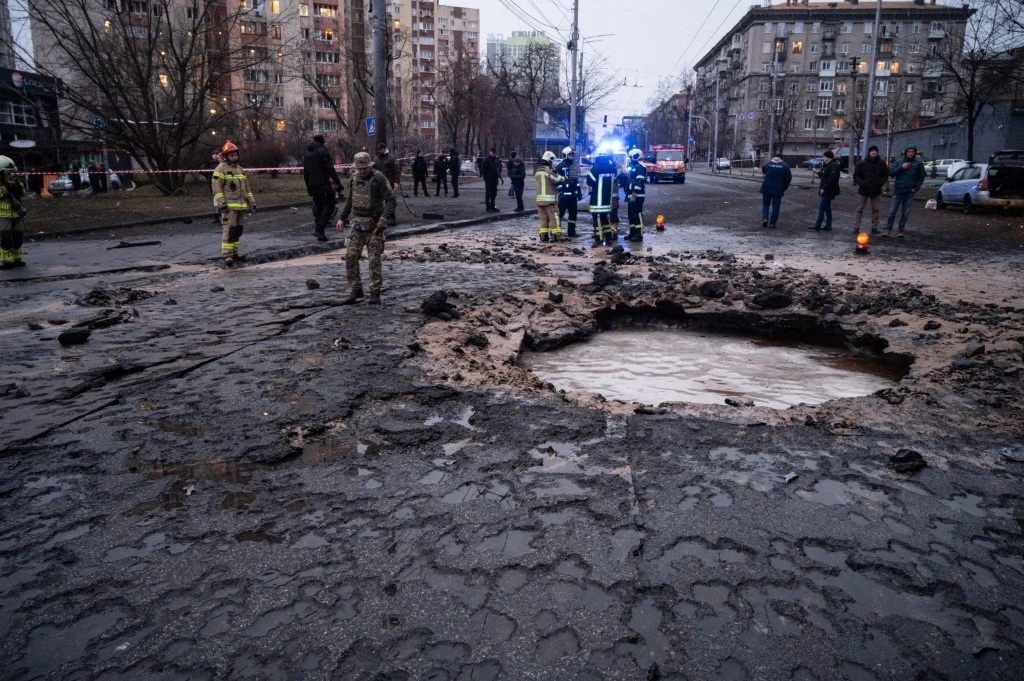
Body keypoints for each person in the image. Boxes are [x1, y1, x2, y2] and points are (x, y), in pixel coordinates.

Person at [337, 152, 396, 305]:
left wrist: (383, 220)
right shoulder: (353, 179)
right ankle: (356, 289)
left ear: (370, 166)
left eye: (365, 168)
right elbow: (350, 200)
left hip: (375, 225)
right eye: (360, 169)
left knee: (374, 259)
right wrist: (342, 218)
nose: (362, 171)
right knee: (350, 256)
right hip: (357, 224)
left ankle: (375, 292)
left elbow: (391, 201)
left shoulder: (379, 179)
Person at [211, 141, 255, 267]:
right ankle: (227, 255)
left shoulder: (240, 170)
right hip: (229, 207)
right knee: (229, 230)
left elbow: (247, 188)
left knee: (237, 230)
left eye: (235, 155)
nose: (234, 157)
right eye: (232, 155)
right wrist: (221, 203)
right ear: (226, 157)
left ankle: (235, 253)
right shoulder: (221, 169)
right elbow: (216, 186)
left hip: (241, 206)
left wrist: (252, 202)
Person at [302, 133, 342, 242]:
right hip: (323, 183)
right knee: (330, 205)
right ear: (322, 142)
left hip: (312, 184)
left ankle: (319, 231)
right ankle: (320, 229)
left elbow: (305, 172)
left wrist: (308, 186)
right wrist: (338, 182)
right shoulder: (322, 152)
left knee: (318, 206)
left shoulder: (308, 153)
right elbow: (329, 168)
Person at [884, 145, 925, 238]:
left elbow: (921, 177)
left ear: (914, 153)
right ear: (905, 152)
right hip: (898, 191)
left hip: (909, 192)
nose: (910, 153)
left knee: (905, 212)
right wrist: (902, 167)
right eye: (908, 152)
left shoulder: (918, 164)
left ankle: (900, 230)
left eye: (912, 152)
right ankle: (888, 229)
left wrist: (916, 188)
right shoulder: (899, 162)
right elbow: (891, 173)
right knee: (892, 211)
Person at [852, 145, 889, 235]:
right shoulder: (862, 163)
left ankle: (874, 227)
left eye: (875, 151)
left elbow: (885, 175)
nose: (874, 152)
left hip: (876, 190)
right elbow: (856, 175)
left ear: (877, 152)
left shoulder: (881, 163)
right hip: (863, 190)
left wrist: (880, 183)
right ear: (869, 152)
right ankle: (856, 227)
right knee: (859, 209)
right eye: (872, 150)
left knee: (876, 209)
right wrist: (863, 183)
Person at [0, 159, 27, 269]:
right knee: (6, 238)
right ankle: (7, 260)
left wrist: (17, 185)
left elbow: (23, 193)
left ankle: (17, 258)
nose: (11, 174)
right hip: (3, 213)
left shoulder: (15, 181)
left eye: (12, 172)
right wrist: (5, 188)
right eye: (8, 172)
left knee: (18, 237)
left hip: (16, 213)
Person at [586, 154, 618, 244]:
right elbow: (617, 176)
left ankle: (599, 239)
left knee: (597, 219)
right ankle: (608, 237)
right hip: (607, 201)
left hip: (597, 200)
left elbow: (589, 182)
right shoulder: (612, 169)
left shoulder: (595, 169)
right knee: (605, 218)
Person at [535, 150, 565, 242]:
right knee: (554, 219)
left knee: (543, 220)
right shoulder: (548, 171)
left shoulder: (538, 171)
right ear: (549, 160)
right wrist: (563, 178)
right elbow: (556, 179)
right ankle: (557, 236)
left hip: (540, 201)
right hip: (550, 201)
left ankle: (543, 237)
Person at [809, 150, 840, 232]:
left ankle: (818, 225)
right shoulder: (829, 165)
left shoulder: (833, 165)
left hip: (828, 190)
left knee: (822, 207)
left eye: (824, 156)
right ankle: (828, 226)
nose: (823, 158)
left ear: (827, 157)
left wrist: (824, 188)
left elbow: (832, 178)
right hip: (828, 189)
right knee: (827, 208)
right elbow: (825, 176)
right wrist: (818, 172)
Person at [555, 146, 582, 237]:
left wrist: (579, 192)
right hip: (563, 196)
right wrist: (560, 189)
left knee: (573, 214)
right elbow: (556, 180)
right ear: (565, 155)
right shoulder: (560, 166)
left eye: (572, 155)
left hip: (573, 195)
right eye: (570, 155)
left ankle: (571, 232)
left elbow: (576, 180)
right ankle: (556, 231)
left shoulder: (573, 166)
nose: (572, 157)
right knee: (560, 214)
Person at [759, 155, 792, 228]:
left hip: (766, 188)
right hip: (778, 189)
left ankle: (765, 219)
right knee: (776, 206)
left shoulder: (769, 164)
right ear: (782, 158)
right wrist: (784, 187)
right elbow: (788, 178)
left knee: (765, 204)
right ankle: (772, 223)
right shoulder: (785, 166)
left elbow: (763, 169)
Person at [626, 148, 648, 242]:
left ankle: (638, 234)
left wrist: (634, 192)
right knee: (631, 215)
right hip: (631, 194)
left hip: (637, 195)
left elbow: (639, 181)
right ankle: (632, 232)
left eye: (630, 157)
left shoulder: (640, 167)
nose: (629, 159)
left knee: (637, 214)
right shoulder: (635, 166)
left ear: (635, 157)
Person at [481, 148, 503, 212]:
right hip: (489, 179)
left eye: (494, 152)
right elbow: (483, 169)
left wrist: (499, 177)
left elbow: (497, 169)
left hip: (494, 179)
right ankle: (488, 207)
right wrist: (486, 177)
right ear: (490, 152)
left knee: (494, 193)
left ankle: (492, 206)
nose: (493, 153)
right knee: (488, 193)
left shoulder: (495, 160)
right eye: (492, 152)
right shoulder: (487, 160)